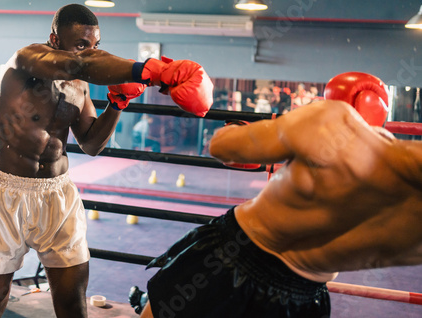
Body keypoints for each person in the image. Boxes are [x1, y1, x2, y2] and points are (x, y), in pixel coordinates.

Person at [0, 3, 213, 318]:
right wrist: (151, 70)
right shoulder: (24, 61)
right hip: (6, 195)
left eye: (95, 45)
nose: (91, 53)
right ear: (54, 40)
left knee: (72, 304)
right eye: (81, 45)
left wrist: (118, 103)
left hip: (58, 196)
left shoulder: (80, 86)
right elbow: (78, 66)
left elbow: (92, 143)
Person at [130, 71, 422, 318]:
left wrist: (241, 132)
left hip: (234, 255)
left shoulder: (330, 119)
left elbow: (223, 148)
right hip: (302, 296)